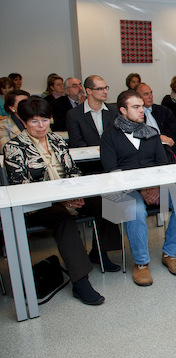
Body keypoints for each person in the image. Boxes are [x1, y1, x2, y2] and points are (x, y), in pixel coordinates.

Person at [4, 97, 121, 305]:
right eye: (34, 121)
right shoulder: (14, 147)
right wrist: (62, 201)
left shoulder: (57, 140)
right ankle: (80, 281)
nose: (41, 126)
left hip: (67, 196)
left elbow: (73, 170)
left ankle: (99, 252)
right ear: (23, 122)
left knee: (107, 202)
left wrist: (75, 193)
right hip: (38, 205)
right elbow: (21, 186)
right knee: (62, 218)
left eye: (44, 120)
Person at [100, 90, 176, 286]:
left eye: (142, 106)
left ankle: (171, 253)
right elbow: (111, 169)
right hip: (125, 190)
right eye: (136, 107)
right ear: (123, 110)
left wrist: (155, 187)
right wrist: (143, 189)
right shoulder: (109, 136)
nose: (142, 110)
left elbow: (162, 164)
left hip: (156, 186)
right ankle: (141, 263)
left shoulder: (151, 133)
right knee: (135, 209)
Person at [136, 83, 176, 164]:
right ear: (138, 97)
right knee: (166, 161)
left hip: (169, 142)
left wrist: (167, 138)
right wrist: (158, 139)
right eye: (146, 94)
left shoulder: (162, 110)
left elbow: (174, 128)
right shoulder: (136, 114)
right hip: (149, 146)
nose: (150, 96)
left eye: (151, 93)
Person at [66, 75, 118, 147]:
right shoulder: (74, 114)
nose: (105, 92)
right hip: (88, 155)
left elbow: (118, 137)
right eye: (100, 89)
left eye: (106, 88)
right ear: (89, 91)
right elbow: (76, 142)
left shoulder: (114, 111)